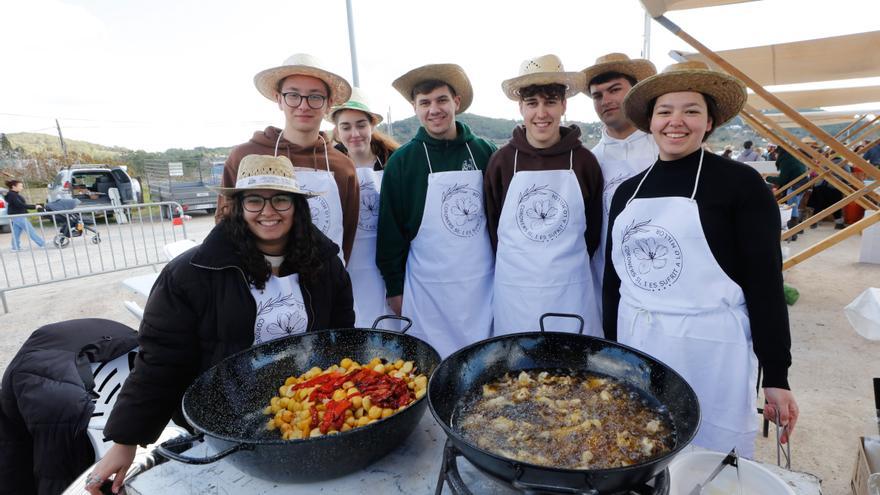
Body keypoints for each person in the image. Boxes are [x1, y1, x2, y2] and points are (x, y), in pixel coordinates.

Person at [85, 154, 355, 494]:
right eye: (254, 200)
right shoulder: (190, 274)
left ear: (297, 206)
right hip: (224, 422)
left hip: (310, 413)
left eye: (281, 199)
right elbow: (162, 360)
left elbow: (341, 339)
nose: (268, 211)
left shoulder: (325, 265)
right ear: (238, 206)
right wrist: (127, 440)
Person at [603, 61, 798, 457]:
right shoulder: (627, 192)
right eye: (665, 111)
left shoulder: (742, 185)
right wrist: (612, 350)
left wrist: (776, 374)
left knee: (710, 458)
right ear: (651, 122)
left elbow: (764, 284)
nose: (677, 121)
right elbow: (613, 281)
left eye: (691, 110)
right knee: (637, 451)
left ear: (709, 122)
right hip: (640, 342)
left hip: (710, 349)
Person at [377, 63, 497, 357]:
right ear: (415, 108)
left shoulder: (485, 151)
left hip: (483, 287)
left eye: (442, 100)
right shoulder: (403, 161)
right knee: (433, 369)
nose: (434, 110)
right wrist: (395, 289)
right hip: (428, 290)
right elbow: (390, 233)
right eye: (425, 103)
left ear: (456, 102)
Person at [485, 54, 603, 335]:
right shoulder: (502, 161)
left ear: (563, 104)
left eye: (550, 102)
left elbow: (593, 231)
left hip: (570, 288)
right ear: (520, 107)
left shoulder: (584, 161)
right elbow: (492, 227)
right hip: (515, 290)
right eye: (532, 103)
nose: (541, 113)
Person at [218, 53, 359, 264]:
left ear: (328, 104)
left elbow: (347, 232)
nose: (303, 105)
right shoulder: (245, 157)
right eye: (293, 95)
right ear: (279, 99)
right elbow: (225, 223)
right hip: (259, 283)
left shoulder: (343, 166)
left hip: (325, 281)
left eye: (314, 96)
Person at [581, 53, 658, 311]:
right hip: (608, 284)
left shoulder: (664, 149)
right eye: (597, 95)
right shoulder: (589, 161)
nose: (606, 100)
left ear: (635, 91)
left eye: (615, 90)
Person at [329, 87, 401, 327]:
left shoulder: (394, 161)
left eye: (361, 125)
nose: (355, 133)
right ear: (337, 132)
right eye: (346, 127)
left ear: (372, 126)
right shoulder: (331, 168)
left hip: (391, 261)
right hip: (350, 263)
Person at [767, 146, 808, 239]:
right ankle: (797, 230)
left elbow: (782, 180)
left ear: (779, 153)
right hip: (803, 184)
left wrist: (767, 178)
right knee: (795, 207)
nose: (775, 156)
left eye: (775, 154)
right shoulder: (792, 158)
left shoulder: (785, 161)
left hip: (795, 186)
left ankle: (792, 234)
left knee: (792, 208)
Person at [4, 180, 46, 251]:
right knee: (30, 230)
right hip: (18, 216)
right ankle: (42, 243)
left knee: (16, 232)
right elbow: (20, 205)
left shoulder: (13, 194)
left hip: (17, 216)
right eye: (20, 186)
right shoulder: (12, 195)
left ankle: (15, 247)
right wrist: (34, 206)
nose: (22, 187)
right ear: (14, 187)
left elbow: (19, 205)